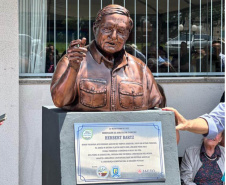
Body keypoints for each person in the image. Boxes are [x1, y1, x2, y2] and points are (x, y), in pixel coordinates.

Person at [50, 4, 162, 111]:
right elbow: (59, 101)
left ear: (128, 35)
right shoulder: (72, 61)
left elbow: (155, 103)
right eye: (107, 29)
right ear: (95, 29)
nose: (113, 36)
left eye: (121, 31)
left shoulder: (140, 68)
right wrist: (73, 68)